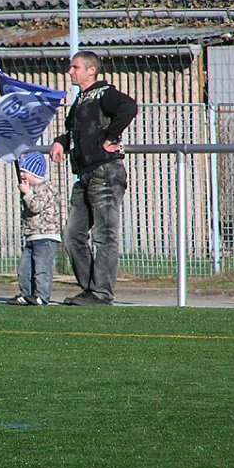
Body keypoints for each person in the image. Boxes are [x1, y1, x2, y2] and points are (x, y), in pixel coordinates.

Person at [50, 50, 138, 306]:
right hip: (84, 176)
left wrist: (111, 137)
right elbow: (74, 133)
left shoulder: (104, 93)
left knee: (105, 236)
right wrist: (59, 142)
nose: (70, 71)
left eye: (75, 67)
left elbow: (128, 107)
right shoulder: (80, 100)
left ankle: (101, 292)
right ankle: (90, 288)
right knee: (72, 235)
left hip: (105, 173)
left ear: (91, 70)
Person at [6, 151, 61, 306]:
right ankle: (26, 293)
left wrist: (27, 193)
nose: (21, 175)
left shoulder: (46, 188)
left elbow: (36, 206)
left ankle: (41, 296)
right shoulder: (32, 189)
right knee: (25, 269)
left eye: (24, 172)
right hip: (32, 236)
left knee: (41, 269)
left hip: (45, 237)